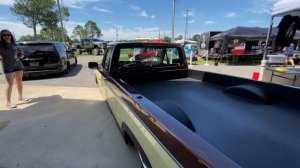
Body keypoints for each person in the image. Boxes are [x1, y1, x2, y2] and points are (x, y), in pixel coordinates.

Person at [0, 29, 27, 109]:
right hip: (8, 66)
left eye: (8, 35)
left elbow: (21, 56)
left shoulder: (14, 44)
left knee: (19, 81)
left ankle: (20, 97)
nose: (6, 36)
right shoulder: (1, 45)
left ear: (11, 35)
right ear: (1, 36)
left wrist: (21, 53)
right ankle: (8, 102)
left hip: (18, 65)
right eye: (4, 35)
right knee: (10, 83)